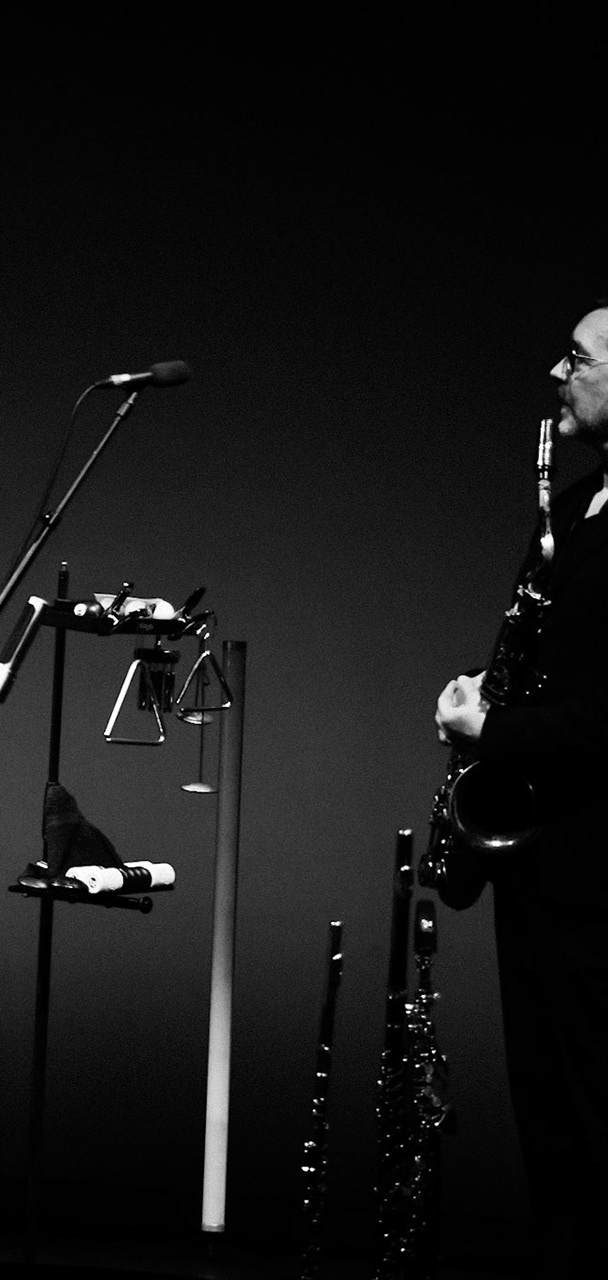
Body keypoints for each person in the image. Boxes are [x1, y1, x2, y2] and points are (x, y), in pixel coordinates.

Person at [434, 305, 608, 1276]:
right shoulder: (576, 507)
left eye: (577, 358)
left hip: (597, 890)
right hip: (541, 875)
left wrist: (490, 729)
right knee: (553, 1141)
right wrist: (489, 695)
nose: (557, 370)